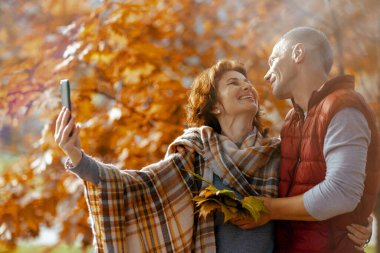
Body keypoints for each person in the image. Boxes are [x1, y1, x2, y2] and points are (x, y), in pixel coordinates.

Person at [55, 59, 371, 252]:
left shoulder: (280, 151)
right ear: (215, 106)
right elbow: (133, 186)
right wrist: (77, 156)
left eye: (248, 82)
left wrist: (356, 222)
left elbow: (323, 192)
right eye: (234, 83)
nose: (248, 86)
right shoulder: (194, 152)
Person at [233, 27, 379, 253]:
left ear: (298, 53)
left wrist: (269, 209)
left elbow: (342, 193)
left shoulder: (344, 107)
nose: (266, 74)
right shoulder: (292, 120)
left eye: (274, 60)